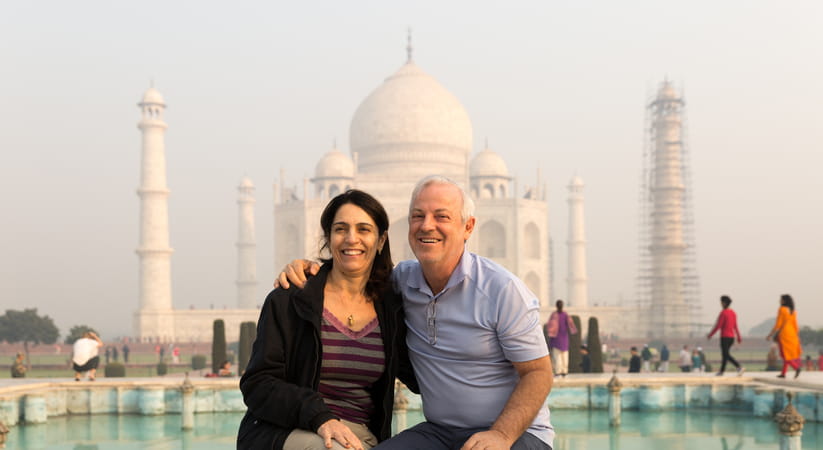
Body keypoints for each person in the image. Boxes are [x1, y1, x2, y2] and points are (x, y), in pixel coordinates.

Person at [276, 176, 555, 450]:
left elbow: (539, 373)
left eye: (441, 216)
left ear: (468, 226)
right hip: (440, 432)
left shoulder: (501, 290)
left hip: (515, 435)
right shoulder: (400, 283)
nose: (427, 226)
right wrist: (309, 270)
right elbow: (350, 271)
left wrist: (501, 435)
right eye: (417, 216)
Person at [238, 190, 412, 450]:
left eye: (364, 229)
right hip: (289, 430)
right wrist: (319, 417)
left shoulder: (392, 308)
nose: (351, 239)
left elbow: (422, 374)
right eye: (341, 229)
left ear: (381, 240)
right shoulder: (291, 299)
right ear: (329, 238)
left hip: (359, 436)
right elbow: (258, 384)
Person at [766, 294, 802, 379]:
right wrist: (796, 335)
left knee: (785, 355)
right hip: (792, 334)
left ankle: (796, 368)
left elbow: (778, 324)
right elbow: (795, 325)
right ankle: (783, 373)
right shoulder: (793, 311)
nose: (779, 301)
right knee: (787, 355)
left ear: (784, 301)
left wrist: (770, 334)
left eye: (781, 299)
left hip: (784, 335)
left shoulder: (782, 309)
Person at [707, 295, 744, 376]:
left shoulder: (723, 313)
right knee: (725, 354)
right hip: (731, 338)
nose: (720, 304)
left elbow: (718, 326)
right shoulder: (733, 313)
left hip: (725, 337)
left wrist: (710, 335)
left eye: (721, 302)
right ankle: (721, 371)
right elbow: (735, 326)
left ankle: (738, 366)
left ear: (724, 303)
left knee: (726, 354)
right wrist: (739, 337)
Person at [546, 299, 577, 377]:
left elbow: (549, 326)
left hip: (559, 338)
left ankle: (559, 371)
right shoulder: (564, 315)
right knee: (562, 356)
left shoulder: (555, 315)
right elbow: (571, 325)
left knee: (558, 356)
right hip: (561, 338)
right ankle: (563, 371)